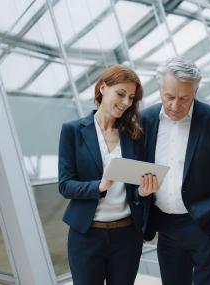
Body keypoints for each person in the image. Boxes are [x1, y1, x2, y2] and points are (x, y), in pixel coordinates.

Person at [141, 57, 210, 285]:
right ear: (160, 88)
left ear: (196, 91)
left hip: (206, 226)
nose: (174, 105)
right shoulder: (146, 120)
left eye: (184, 98)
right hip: (165, 227)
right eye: (169, 96)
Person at [58, 65, 157, 285]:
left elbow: (136, 189)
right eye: (121, 94)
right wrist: (99, 186)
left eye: (131, 97)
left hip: (127, 236)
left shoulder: (134, 135)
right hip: (86, 236)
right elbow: (65, 185)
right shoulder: (72, 131)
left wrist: (143, 192)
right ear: (103, 87)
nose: (126, 102)